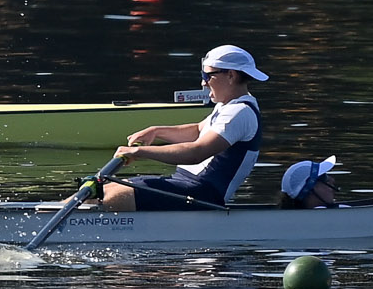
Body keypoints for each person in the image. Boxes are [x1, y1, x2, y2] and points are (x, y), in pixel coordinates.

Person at [95, 44, 266, 212]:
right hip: (184, 185)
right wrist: (157, 131)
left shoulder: (240, 112)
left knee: (114, 197)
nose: (203, 82)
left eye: (207, 75)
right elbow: (198, 131)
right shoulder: (228, 105)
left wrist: (140, 152)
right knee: (100, 191)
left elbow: (196, 152)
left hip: (202, 195)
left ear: (231, 76)